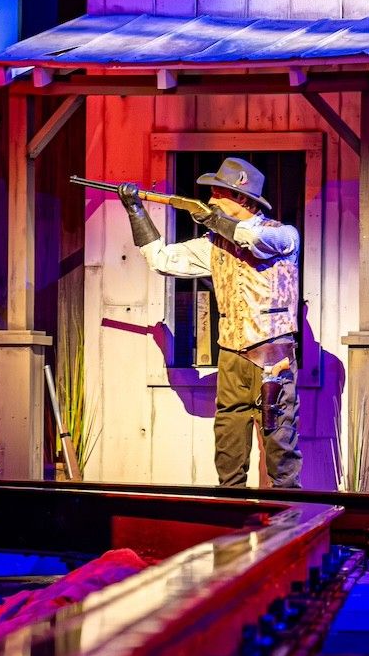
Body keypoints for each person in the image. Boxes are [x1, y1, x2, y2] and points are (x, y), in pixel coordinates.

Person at [120, 158, 302, 489]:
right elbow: (162, 260)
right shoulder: (213, 244)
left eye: (219, 193)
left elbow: (253, 240)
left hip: (273, 360)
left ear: (242, 198)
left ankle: (290, 519)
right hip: (231, 357)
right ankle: (230, 518)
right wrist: (136, 211)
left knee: (281, 451)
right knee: (228, 451)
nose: (211, 199)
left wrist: (211, 218)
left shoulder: (283, 235)